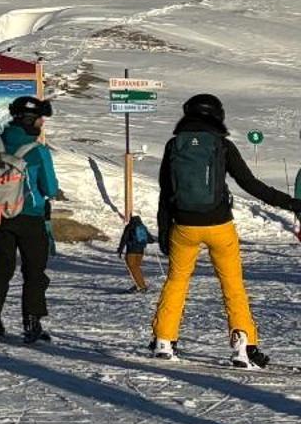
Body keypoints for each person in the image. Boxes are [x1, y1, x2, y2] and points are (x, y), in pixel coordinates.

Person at [149, 93, 301, 370]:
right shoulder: (222, 145)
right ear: (217, 116)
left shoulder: (175, 146)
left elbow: (165, 192)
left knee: (177, 282)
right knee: (232, 285)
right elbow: (250, 184)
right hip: (219, 225)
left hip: (183, 226)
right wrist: (290, 203)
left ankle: (164, 341)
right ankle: (243, 346)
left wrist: (163, 230)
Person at [0, 95, 61, 344]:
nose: (42, 124)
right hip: (31, 217)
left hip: (1, 215)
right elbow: (50, 188)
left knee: (1, 267)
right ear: (31, 120)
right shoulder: (37, 151)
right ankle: (32, 322)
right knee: (34, 272)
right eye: (40, 120)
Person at [117, 212, 154, 292]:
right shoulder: (142, 227)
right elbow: (151, 240)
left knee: (132, 268)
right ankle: (139, 284)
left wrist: (120, 250)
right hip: (140, 252)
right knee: (137, 268)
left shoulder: (130, 227)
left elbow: (124, 239)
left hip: (131, 251)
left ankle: (141, 287)